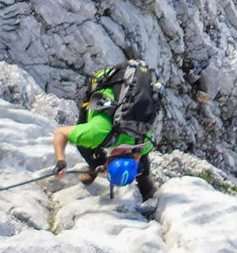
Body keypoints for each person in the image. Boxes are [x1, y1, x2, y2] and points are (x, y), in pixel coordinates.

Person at [51, 62, 159, 201]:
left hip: (135, 88)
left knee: (142, 157)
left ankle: (146, 185)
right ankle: (94, 166)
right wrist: (61, 161)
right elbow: (61, 133)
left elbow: (139, 157)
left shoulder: (144, 143)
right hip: (107, 80)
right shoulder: (96, 134)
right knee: (84, 144)